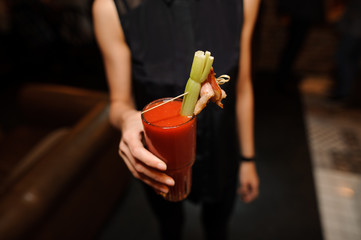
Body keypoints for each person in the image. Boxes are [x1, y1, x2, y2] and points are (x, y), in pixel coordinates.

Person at [92, 0, 260, 239]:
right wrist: (127, 118)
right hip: (161, 157)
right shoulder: (110, 8)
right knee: (169, 226)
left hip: (222, 149)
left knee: (218, 226)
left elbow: (243, 88)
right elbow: (118, 103)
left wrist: (248, 159)